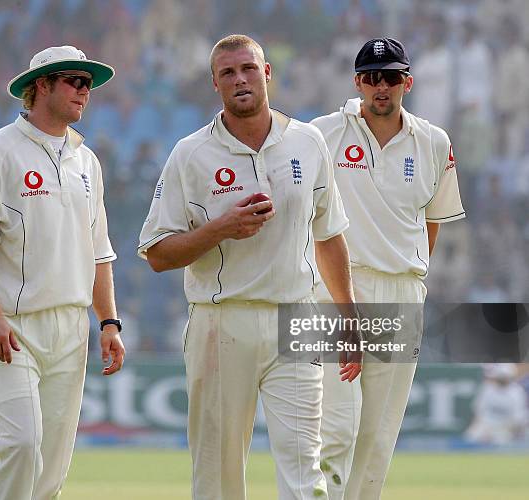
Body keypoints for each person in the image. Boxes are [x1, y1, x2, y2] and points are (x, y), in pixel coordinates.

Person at [138, 34, 358, 500]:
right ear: (214, 85)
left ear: (267, 73)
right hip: (222, 321)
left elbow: (330, 234)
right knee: (218, 476)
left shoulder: (307, 141)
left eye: (249, 69)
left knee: (306, 473)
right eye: (228, 73)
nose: (240, 79)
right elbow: (157, 253)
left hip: (295, 317)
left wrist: (348, 316)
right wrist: (221, 228)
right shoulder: (190, 154)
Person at [0, 45, 125, 499]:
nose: (85, 92)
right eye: (76, 81)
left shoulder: (87, 161)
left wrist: (108, 321)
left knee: (51, 463)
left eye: (89, 84)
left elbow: (99, 252)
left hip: (71, 328)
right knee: (20, 445)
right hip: (11, 327)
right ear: (41, 85)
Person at [311, 38, 465, 500]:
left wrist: (408, 272)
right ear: (357, 82)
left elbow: (433, 222)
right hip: (330, 291)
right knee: (333, 427)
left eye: (391, 77)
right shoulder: (321, 134)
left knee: (377, 438)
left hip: (400, 293)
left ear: (408, 83)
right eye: (372, 77)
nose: (382, 87)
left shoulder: (435, 142)